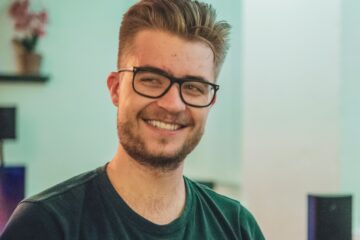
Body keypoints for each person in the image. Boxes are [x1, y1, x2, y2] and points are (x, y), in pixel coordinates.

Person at [1, 0, 265, 239]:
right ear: (116, 89)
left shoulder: (237, 228)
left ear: (210, 102)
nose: (173, 104)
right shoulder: (45, 225)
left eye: (194, 87)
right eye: (151, 80)